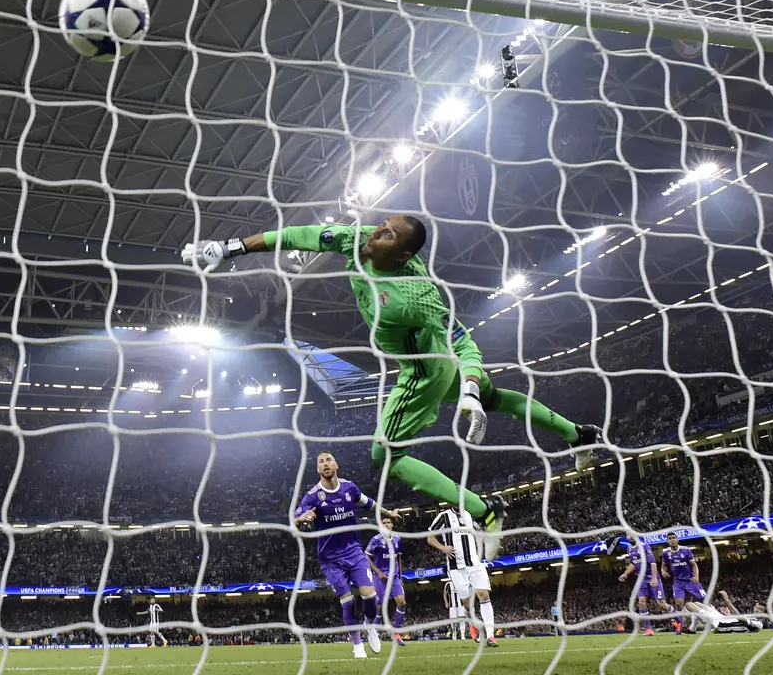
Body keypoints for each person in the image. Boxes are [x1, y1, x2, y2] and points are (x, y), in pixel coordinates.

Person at [182, 218, 604, 558]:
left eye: (388, 234)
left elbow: (461, 339)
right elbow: (298, 234)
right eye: (381, 225)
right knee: (497, 400)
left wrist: (470, 385)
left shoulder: (416, 295)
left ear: (403, 254)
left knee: (386, 457)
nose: (376, 233)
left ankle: (484, 510)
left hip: (423, 369)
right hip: (429, 355)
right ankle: (577, 433)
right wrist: (233, 248)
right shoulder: (357, 240)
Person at [295, 452, 400, 659]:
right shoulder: (313, 496)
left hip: (354, 551)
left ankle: (369, 625)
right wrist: (302, 517)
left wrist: (388, 514)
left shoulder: (349, 487)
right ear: (317, 470)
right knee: (348, 600)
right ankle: (357, 646)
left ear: (336, 464)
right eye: (321, 462)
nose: (325, 464)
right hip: (330, 558)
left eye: (328, 460)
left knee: (371, 596)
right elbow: (296, 516)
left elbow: (368, 503)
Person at [427, 507, 497, 646]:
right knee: (467, 604)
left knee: (483, 594)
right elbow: (430, 537)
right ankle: (472, 622)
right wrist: (443, 548)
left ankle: (490, 635)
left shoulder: (470, 514)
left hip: (474, 563)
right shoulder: (444, 516)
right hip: (456, 567)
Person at [364, 516, 406, 645]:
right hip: (379, 577)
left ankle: (396, 632)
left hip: (394, 577)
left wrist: (400, 575)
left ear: (392, 525)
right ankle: (373, 631)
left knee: (402, 603)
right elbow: (366, 557)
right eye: (384, 523)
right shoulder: (376, 540)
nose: (387, 524)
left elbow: (399, 558)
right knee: (379, 606)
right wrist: (378, 572)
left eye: (389, 522)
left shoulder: (397, 539)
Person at [619, 535, 671, 635]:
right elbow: (634, 563)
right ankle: (649, 629)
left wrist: (654, 577)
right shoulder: (629, 549)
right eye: (627, 535)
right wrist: (625, 574)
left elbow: (652, 563)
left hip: (651, 577)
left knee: (662, 605)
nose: (630, 536)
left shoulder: (645, 546)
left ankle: (679, 620)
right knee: (642, 602)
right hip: (641, 579)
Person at [684, 590, 763, 633]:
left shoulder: (758, 624)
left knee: (689, 605)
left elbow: (740, 618)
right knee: (697, 603)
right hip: (724, 619)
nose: (757, 609)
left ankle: (692, 628)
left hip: (722, 624)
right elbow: (738, 617)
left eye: (760, 609)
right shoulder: (752, 618)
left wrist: (727, 601)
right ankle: (692, 628)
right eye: (756, 607)